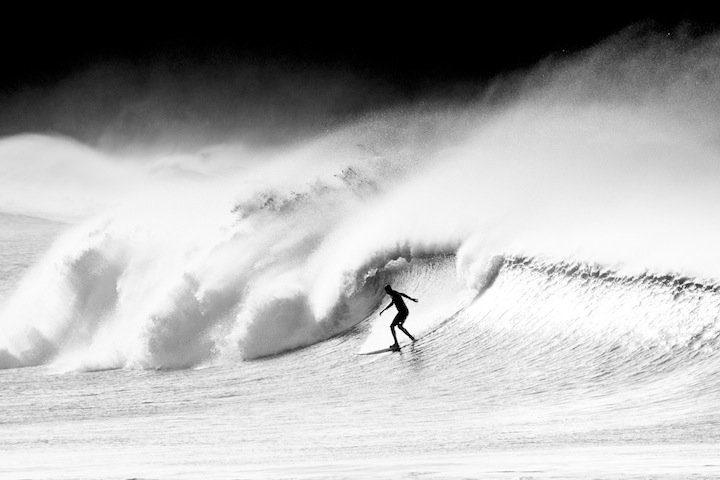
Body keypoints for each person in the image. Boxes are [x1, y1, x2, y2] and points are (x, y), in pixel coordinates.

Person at [379, 285, 418, 350]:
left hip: (403, 312)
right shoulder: (394, 293)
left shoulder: (394, 294)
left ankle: (396, 343)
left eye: (386, 291)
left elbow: (401, 296)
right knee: (399, 326)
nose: (386, 292)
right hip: (403, 312)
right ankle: (411, 338)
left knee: (392, 326)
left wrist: (411, 299)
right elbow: (400, 296)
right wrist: (384, 310)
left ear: (389, 290)